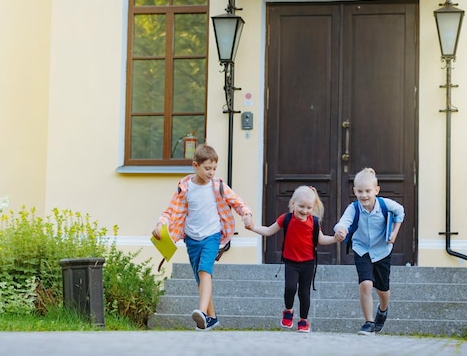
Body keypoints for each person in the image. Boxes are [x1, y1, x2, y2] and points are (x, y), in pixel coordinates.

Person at [152, 143, 252, 331]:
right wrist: (160, 224)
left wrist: (246, 214)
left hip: (213, 235)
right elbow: (170, 210)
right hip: (191, 238)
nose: (211, 172)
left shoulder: (218, 186)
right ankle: (211, 318)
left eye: (214, 168)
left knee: (205, 270)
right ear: (195, 166)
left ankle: (201, 311)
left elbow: (238, 202)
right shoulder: (184, 187)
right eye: (207, 168)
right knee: (200, 278)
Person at [246, 186, 340, 333]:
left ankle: (303, 320)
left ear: (313, 207)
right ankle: (288, 311)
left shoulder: (314, 222)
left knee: (304, 293)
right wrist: (253, 228)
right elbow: (269, 230)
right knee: (290, 288)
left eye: (309, 207)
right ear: (293, 204)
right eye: (301, 206)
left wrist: (335, 239)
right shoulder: (286, 218)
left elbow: (321, 239)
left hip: (308, 263)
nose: (304, 210)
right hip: (291, 261)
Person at [333, 167, 405, 335]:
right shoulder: (354, 208)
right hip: (361, 249)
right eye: (360, 191)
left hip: (382, 251)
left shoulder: (385, 204)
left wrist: (394, 232)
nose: (364, 195)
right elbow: (343, 222)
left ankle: (383, 309)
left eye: (368, 191)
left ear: (376, 190)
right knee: (365, 284)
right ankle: (369, 323)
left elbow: (400, 211)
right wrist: (341, 230)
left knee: (382, 290)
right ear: (354, 191)